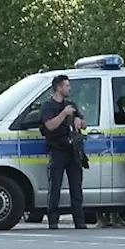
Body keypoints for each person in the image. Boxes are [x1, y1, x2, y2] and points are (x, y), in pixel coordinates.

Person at [40, 74, 87, 230]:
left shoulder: (71, 104)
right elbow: (50, 126)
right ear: (58, 88)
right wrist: (64, 114)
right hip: (57, 149)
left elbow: (84, 123)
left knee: (76, 187)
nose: (69, 88)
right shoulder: (48, 106)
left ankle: (79, 220)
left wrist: (79, 121)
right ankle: (53, 220)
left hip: (72, 150)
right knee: (55, 186)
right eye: (66, 86)